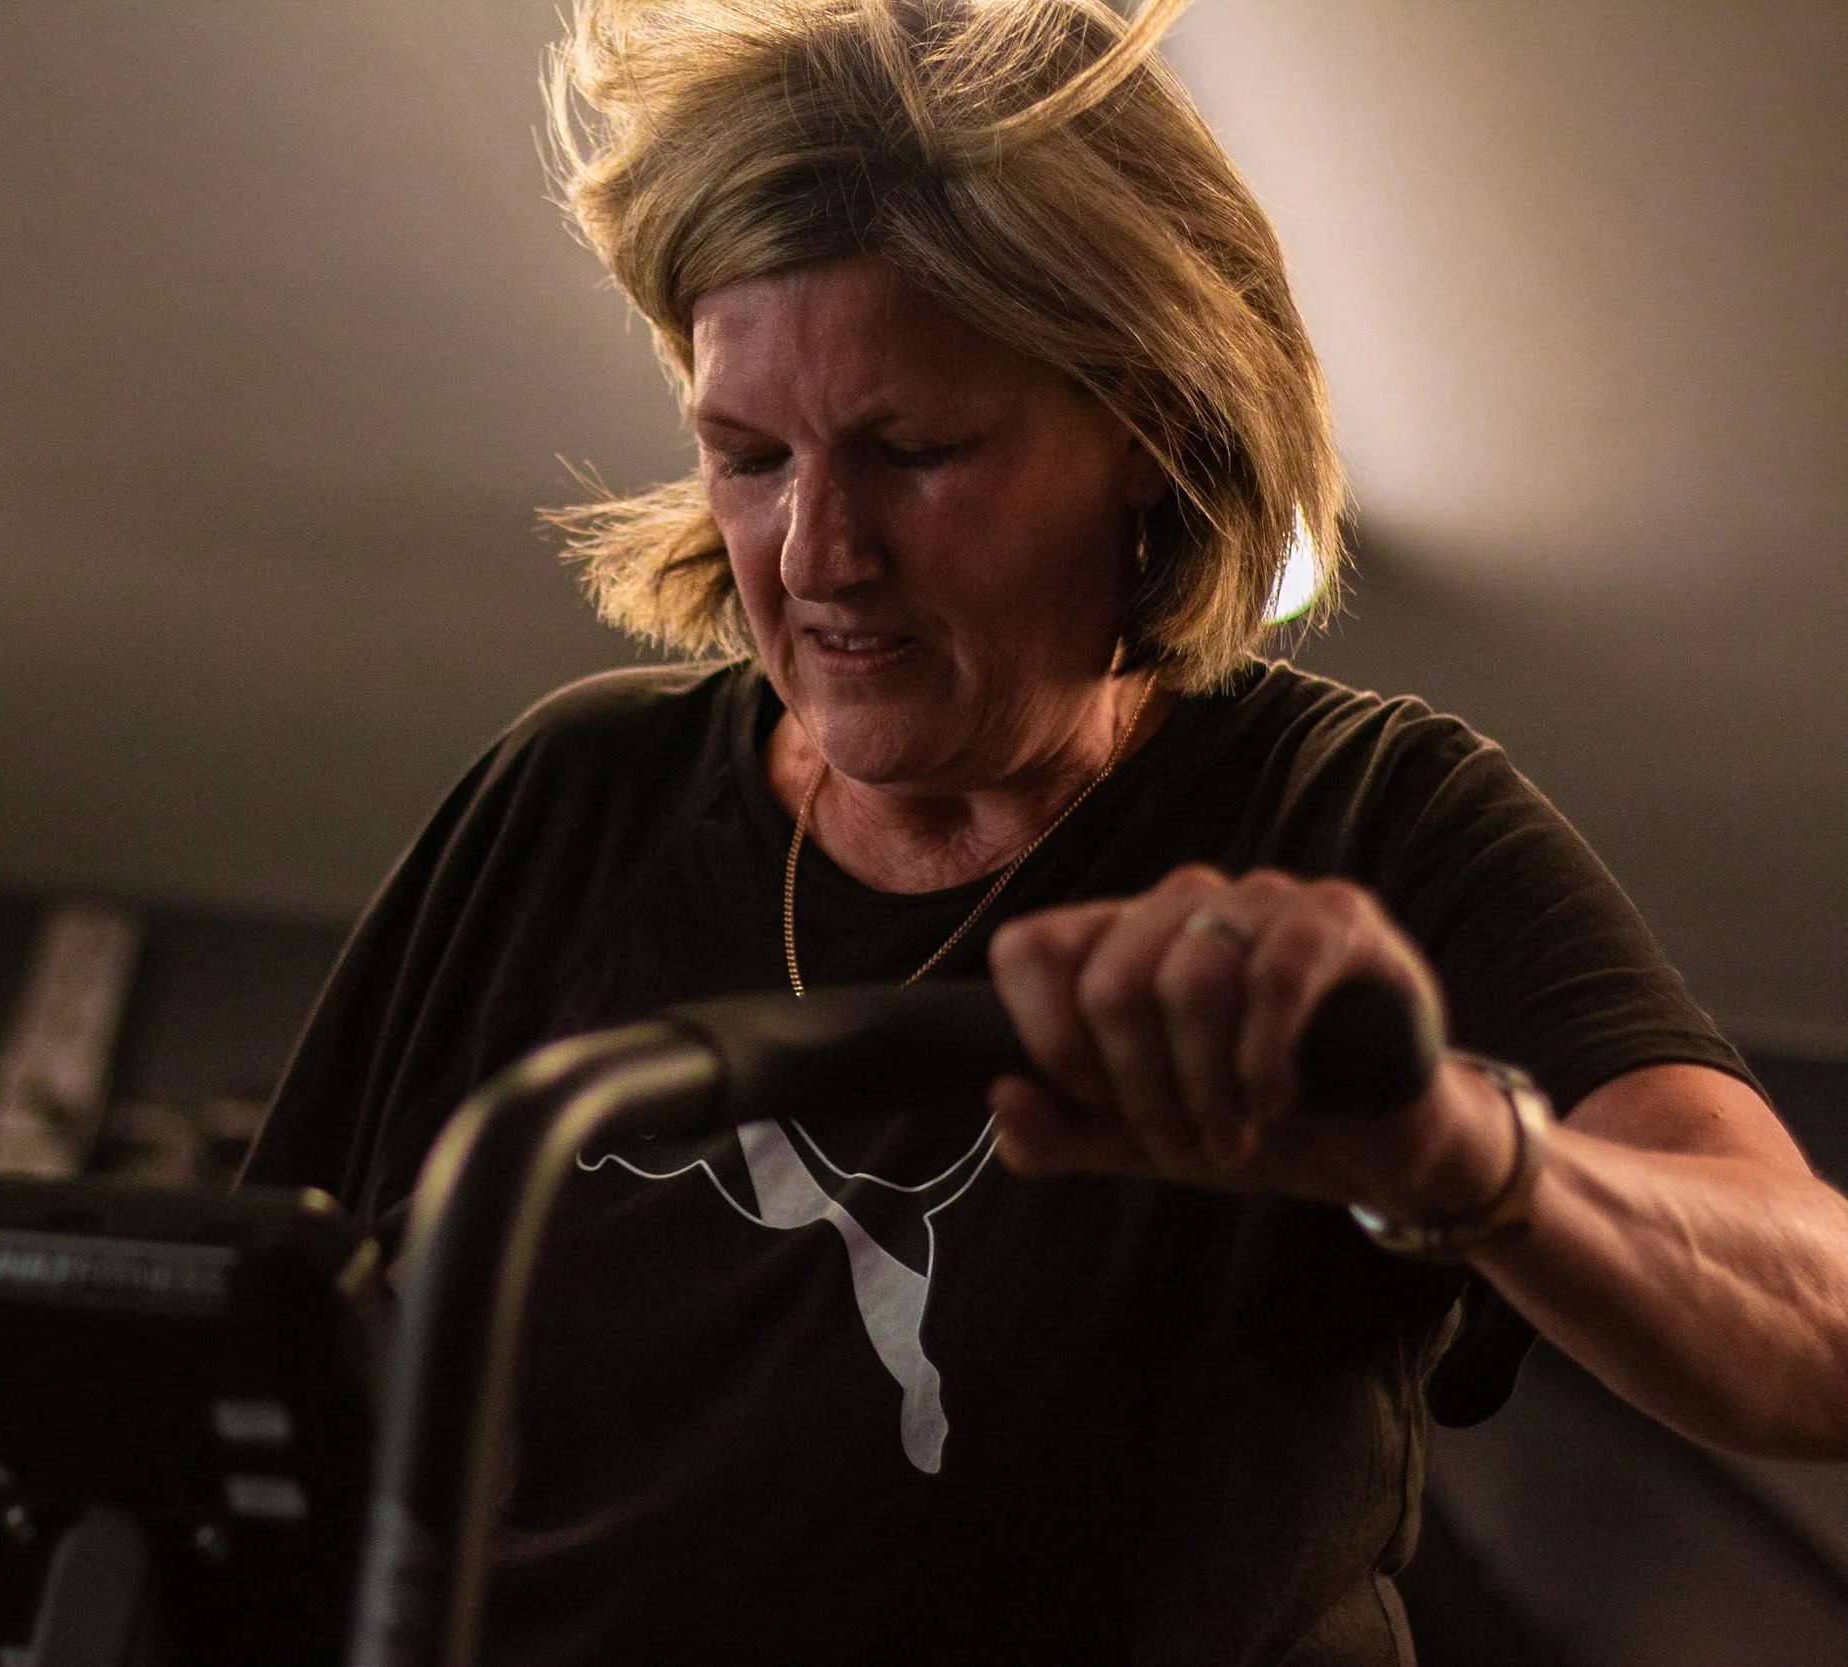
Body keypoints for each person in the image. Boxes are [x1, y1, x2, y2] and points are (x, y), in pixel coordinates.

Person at [243, 2, 1848, 1661]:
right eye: (746, 456)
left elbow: (1824, 1315)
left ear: (1146, 430)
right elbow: (234, 1365)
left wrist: (1458, 1151)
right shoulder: (572, 801)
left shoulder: (1366, 825)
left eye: (913, 451)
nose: (812, 554)